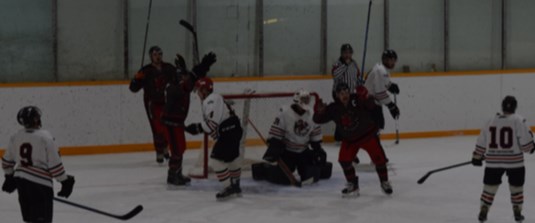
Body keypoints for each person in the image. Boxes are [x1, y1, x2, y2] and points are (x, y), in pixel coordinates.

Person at [313, 83, 392, 197]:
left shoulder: (357, 99)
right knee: (344, 161)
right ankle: (352, 185)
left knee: (380, 160)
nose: (344, 95)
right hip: (350, 140)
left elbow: (372, 106)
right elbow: (317, 120)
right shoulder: (334, 108)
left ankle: (384, 182)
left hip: (367, 135)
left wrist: (366, 96)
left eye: (346, 92)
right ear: (336, 95)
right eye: (341, 93)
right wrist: (319, 112)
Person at [2, 106, 75, 223]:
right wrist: (65, 181)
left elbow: (6, 162)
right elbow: (55, 165)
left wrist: (9, 176)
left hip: (21, 183)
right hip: (40, 185)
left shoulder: (16, 136)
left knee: (30, 219)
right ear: (36, 119)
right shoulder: (45, 137)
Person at [471, 96, 534, 222]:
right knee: (516, 188)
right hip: (515, 163)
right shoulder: (518, 120)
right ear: (515, 107)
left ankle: (484, 208)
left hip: (493, 162)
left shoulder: (491, 120)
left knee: (489, 188)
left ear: (502, 106)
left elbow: (482, 140)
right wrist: (531, 148)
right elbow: (526, 145)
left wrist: (477, 156)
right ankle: (517, 210)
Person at [251, 90, 332, 186]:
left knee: (312, 176)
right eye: (303, 99)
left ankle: (320, 168)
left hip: (303, 151)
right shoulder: (285, 113)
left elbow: (315, 137)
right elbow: (275, 135)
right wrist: (274, 148)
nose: (306, 102)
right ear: (297, 100)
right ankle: (264, 168)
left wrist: (318, 149)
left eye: (307, 99)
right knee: (282, 179)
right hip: (287, 152)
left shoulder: (312, 114)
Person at [161, 52, 217, 187]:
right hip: (170, 123)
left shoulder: (182, 85)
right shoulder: (172, 88)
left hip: (177, 123)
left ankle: (176, 173)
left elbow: (192, 82)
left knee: (180, 148)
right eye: (181, 75)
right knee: (177, 150)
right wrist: (199, 68)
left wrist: (203, 68)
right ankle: (173, 175)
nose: (184, 77)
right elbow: (188, 83)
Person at [184, 77, 244, 201]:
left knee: (216, 161)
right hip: (235, 129)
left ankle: (229, 188)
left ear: (204, 90)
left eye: (199, 91)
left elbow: (212, 124)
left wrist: (197, 128)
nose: (198, 94)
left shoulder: (210, 100)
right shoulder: (217, 97)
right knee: (231, 158)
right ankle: (236, 186)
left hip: (228, 131)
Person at [129, 46, 176, 164]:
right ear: (151, 56)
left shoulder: (169, 68)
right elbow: (133, 88)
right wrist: (136, 79)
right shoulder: (145, 71)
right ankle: (159, 150)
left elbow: (178, 80)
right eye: (155, 54)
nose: (158, 56)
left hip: (166, 102)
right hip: (152, 103)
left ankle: (166, 148)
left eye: (160, 54)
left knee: (167, 127)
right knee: (157, 128)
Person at [364, 49, 400, 130]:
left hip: (372, 101)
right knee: (377, 124)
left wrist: (390, 86)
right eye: (391, 60)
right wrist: (391, 106)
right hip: (369, 102)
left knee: (379, 123)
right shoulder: (381, 70)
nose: (393, 62)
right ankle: (372, 141)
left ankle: (374, 141)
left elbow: (383, 83)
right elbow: (380, 93)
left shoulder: (381, 68)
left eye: (394, 60)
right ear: (385, 60)